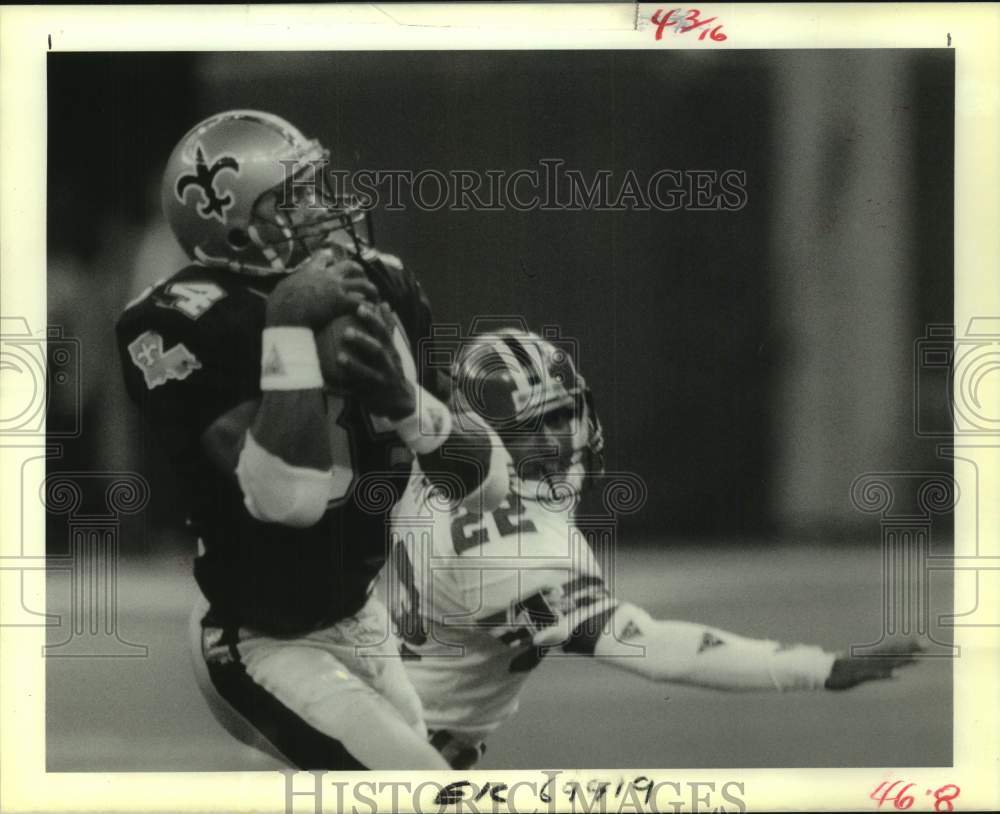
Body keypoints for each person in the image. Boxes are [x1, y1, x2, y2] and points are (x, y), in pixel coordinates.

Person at [116, 110, 509, 770]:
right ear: (234, 222)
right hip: (260, 640)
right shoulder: (175, 321)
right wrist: (290, 329)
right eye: (293, 195)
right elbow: (287, 499)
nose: (321, 206)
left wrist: (407, 403)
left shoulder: (379, 282)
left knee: (444, 774)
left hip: (361, 621)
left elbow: (486, 486)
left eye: (316, 185)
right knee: (420, 789)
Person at [387, 328, 922, 769]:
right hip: (409, 753)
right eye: (532, 428)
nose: (560, 440)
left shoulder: (437, 455)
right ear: (485, 438)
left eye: (562, 415)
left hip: (392, 716)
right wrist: (818, 667)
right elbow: (651, 646)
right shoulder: (510, 547)